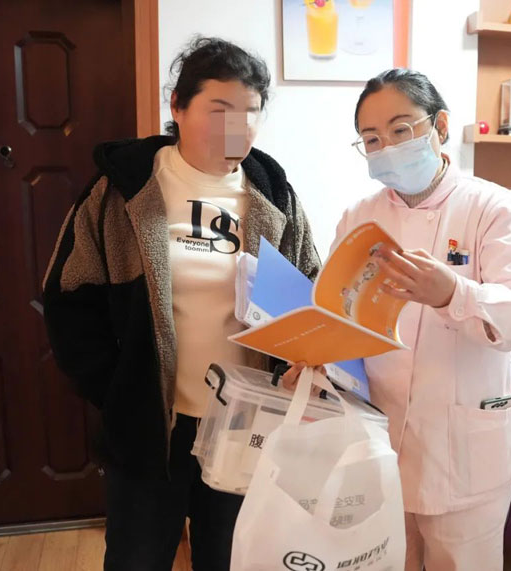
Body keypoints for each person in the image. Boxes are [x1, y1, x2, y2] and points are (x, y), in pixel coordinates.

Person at [42, 37, 319, 571]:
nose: (236, 126)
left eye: (250, 111)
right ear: (177, 105)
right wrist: (118, 390)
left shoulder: (273, 194)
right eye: (219, 109)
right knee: (138, 559)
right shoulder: (122, 189)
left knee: (232, 559)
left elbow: (310, 289)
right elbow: (68, 295)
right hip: (151, 428)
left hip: (243, 424)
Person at [332, 68, 511, 570]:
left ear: (441, 125)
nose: (387, 147)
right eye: (372, 139)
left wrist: (454, 292)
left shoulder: (492, 207)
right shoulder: (358, 217)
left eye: (401, 129)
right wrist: (315, 357)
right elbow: (340, 313)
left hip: (466, 453)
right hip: (380, 441)